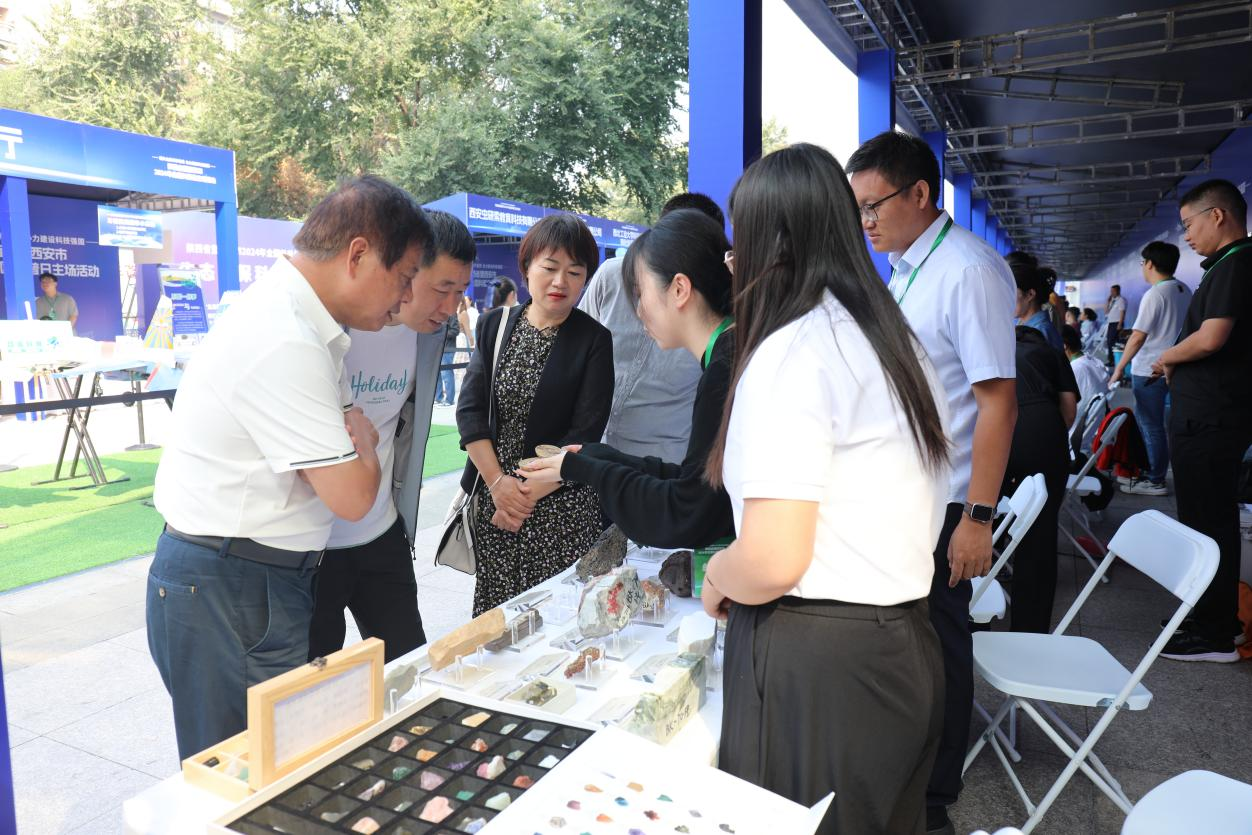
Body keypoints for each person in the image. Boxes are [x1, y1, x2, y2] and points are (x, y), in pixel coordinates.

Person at [700, 143, 948, 835]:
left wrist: (719, 573)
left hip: (820, 663)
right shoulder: (894, 340)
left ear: (770, 247)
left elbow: (773, 558)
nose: (734, 267)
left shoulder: (796, 351)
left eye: (738, 247)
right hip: (902, 642)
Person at [148, 176, 432, 759]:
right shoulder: (286, 337)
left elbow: (343, 457)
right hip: (231, 583)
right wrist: (365, 446)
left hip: (248, 578)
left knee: (273, 761)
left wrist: (353, 446)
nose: (406, 298)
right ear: (358, 255)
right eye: (404, 277)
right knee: (243, 773)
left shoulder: (308, 325)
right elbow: (352, 495)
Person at [848, 129, 1017, 835]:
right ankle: (913, 769)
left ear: (920, 194)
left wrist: (978, 516)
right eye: (858, 208)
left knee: (943, 643)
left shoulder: (966, 270)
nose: (866, 221)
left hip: (950, 500)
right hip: (909, 494)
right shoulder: (908, 266)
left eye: (874, 205)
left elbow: (997, 402)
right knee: (916, 643)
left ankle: (935, 797)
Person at [308, 210, 474, 663]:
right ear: (407, 269)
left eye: (460, 292)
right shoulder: (332, 328)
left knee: (409, 669)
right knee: (312, 684)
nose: (449, 308)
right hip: (312, 546)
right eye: (441, 288)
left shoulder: (426, 336)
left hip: (381, 533)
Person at [518, 208, 735, 549]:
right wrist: (600, 457)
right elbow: (696, 483)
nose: (637, 309)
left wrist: (586, 469)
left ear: (679, 288)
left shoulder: (724, 371)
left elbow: (689, 511)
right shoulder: (727, 353)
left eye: (640, 291)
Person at [457, 214, 614, 615]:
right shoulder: (494, 325)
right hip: (496, 503)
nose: (561, 281)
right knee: (498, 624)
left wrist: (521, 498)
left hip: (560, 509)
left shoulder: (594, 340)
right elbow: (470, 411)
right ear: (526, 268)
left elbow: (586, 431)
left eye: (574, 272)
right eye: (550, 267)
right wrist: (498, 486)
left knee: (557, 622)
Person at [1154, 179, 1252, 663]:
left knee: (1207, 524)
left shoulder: (1236, 263)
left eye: (1189, 224)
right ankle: (1216, 618)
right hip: (1210, 416)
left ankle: (1214, 634)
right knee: (1208, 520)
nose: (1186, 237)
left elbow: (1211, 338)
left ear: (1217, 215)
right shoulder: (1228, 265)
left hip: (1210, 419)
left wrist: (1168, 357)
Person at [578, 193, 717, 463]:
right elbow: (577, 346)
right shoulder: (611, 276)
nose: (642, 313)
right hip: (594, 450)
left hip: (664, 461)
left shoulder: (714, 318)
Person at [1004, 262, 1079, 634]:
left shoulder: (992, 343)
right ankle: (1029, 631)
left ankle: (971, 612)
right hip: (1045, 438)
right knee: (1038, 535)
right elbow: (1069, 408)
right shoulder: (1048, 346)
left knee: (979, 519)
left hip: (1001, 432)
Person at [1109, 241, 1193, 496]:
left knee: (1151, 426)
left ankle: (1155, 479)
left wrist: (1118, 368)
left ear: (1150, 264)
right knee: (1164, 426)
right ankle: (1156, 473)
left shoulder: (1155, 294)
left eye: (1142, 263)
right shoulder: (1184, 290)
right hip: (1175, 368)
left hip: (1149, 370)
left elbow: (1138, 337)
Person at [1062, 324, 1110, 452]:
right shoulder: (1092, 361)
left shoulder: (1075, 369)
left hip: (1074, 437)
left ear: (1064, 345)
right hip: (1089, 431)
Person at [1013, 259, 1064, 351]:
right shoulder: (1028, 326)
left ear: (1030, 295)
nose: (1006, 299)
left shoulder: (1039, 332)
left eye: (1011, 292)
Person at [436, 310, 460, 406]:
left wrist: (442, 334)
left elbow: (455, 330)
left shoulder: (451, 312)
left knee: (446, 374)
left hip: (447, 348)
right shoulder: (436, 311)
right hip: (437, 347)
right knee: (436, 374)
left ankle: (449, 400)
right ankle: (438, 398)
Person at [1105, 283, 1127, 365]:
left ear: (1118, 291)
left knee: (1112, 342)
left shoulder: (1121, 300)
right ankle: (1112, 360)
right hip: (1111, 323)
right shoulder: (1112, 301)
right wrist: (1108, 302)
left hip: (1117, 323)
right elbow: (1106, 311)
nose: (1111, 293)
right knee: (1110, 341)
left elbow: (1122, 312)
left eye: (1113, 291)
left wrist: (1120, 324)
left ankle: (1113, 360)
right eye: (1111, 291)